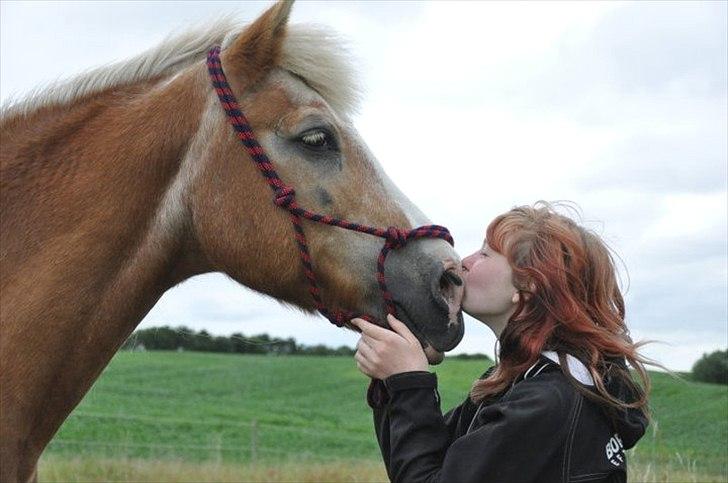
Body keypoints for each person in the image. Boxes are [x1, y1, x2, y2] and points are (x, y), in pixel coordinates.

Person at [351, 202, 651, 483]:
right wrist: (392, 383)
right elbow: (420, 467)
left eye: (485, 253)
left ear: (529, 283)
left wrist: (409, 381)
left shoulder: (546, 403)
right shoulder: (519, 385)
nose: (464, 262)